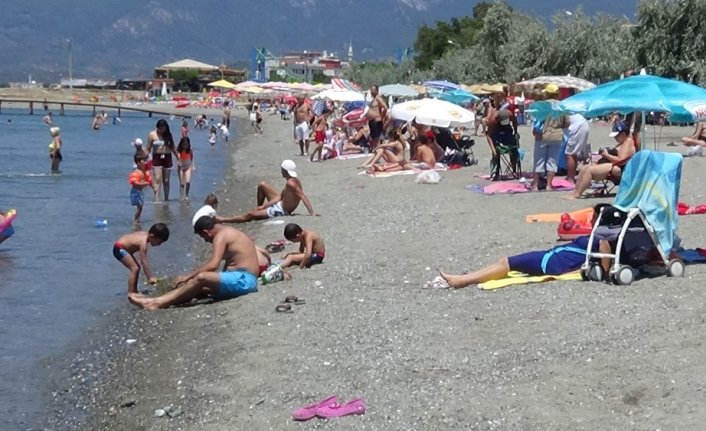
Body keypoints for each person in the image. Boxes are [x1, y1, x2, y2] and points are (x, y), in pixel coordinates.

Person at [434, 205, 609, 289]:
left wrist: (583, 271)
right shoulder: (596, 235)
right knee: (506, 262)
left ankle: (463, 280)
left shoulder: (603, 239)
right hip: (551, 257)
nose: (590, 220)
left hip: (552, 263)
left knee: (507, 263)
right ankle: (464, 278)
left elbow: (604, 265)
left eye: (593, 217)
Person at [128, 216, 259, 310]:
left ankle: (156, 303)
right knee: (195, 287)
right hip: (240, 279)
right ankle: (156, 300)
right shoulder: (228, 232)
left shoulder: (222, 235)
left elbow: (213, 265)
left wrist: (187, 276)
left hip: (244, 281)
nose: (206, 241)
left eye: (203, 237)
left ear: (206, 232)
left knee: (201, 278)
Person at [218, 160, 318, 223]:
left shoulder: (291, 183)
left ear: (285, 171)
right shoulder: (292, 180)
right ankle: (259, 209)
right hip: (280, 203)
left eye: (282, 169)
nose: (281, 171)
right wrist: (263, 206)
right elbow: (280, 197)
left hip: (281, 211)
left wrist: (312, 213)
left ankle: (224, 219)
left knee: (250, 215)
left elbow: (303, 196)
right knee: (262, 185)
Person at [566, 120, 636, 200]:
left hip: (619, 168)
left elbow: (621, 160)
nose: (615, 138)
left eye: (616, 136)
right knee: (584, 168)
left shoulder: (628, 142)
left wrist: (607, 155)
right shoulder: (623, 142)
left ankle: (577, 194)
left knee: (588, 171)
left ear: (623, 134)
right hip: (614, 165)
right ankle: (575, 191)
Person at [531, 84, 570, 191]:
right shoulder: (562, 106)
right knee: (552, 161)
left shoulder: (542, 105)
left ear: (547, 93)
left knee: (539, 160)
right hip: (556, 135)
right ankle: (549, 185)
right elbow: (567, 123)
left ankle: (535, 185)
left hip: (542, 135)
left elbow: (536, 119)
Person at [113, 223, 170, 295]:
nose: (159, 245)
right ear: (152, 236)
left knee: (137, 268)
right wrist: (150, 277)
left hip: (123, 247)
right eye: (159, 242)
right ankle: (131, 292)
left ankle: (134, 290)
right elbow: (144, 261)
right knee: (135, 268)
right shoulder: (143, 243)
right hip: (119, 248)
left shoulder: (144, 234)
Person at [367, 133, 436, 174]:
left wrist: (409, 162)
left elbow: (419, 161)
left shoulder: (420, 148)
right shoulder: (428, 148)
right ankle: (383, 169)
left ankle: (383, 169)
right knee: (403, 165)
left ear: (419, 142)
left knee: (404, 165)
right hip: (431, 165)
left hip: (426, 165)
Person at [145, 119, 178, 202]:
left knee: (166, 180)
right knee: (157, 178)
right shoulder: (152, 135)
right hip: (157, 157)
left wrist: (178, 157)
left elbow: (173, 147)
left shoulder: (168, 134)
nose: (162, 130)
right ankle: (157, 199)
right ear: (158, 127)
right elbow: (148, 148)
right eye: (161, 129)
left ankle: (166, 199)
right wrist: (143, 159)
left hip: (167, 157)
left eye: (164, 128)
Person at [485, 106, 518, 180]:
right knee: (496, 151)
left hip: (507, 130)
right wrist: (493, 150)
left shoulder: (510, 114)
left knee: (514, 149)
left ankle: (514, 170)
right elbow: (489, 136)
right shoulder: (493, 120)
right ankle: (496, 172)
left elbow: (515, 122)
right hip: (496, 131)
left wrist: (515, 132)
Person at [129, 153, 156, 223]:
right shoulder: (136, 172)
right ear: (138, 162)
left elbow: (149, 181)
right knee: (139, 207)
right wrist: (143, 183)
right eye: (143, 161)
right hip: (135, 192)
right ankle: (135, 221)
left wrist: (153, 188)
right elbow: (134, 182)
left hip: (140, 192)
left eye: (145, 160)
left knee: (140, 207)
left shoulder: (144, 172)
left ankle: (138, 220)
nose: (145, 162)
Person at [564, 114, 591, 184]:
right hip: (583, 124)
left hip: (577, 127)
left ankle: (570, 178)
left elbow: (566, 122)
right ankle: (571, 177)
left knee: (569, 154)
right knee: (573, 153)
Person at [365, 85, 388, 150]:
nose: (371, 91)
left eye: (373, 90)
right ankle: (377, 151)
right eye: (371, 90)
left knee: (377, 139)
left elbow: (385, 107)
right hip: (372, 121)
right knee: (374, 139)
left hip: (376, 121)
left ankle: (379, 152)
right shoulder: (373, 99)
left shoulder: (378, 98)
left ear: (377, 91)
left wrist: (381, 116)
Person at [177, 136, 194, 201]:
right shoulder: (179, 149)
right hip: (181, 167)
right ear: (181, 144)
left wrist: (193, 166)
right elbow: (178, 157)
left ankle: (186, 195)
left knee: (188, 182)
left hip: (188, 166)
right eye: (184, 144)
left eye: (186, 144)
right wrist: (179, 162)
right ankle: (181, 196)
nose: (185, 146)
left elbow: (192, 157)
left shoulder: (190, 149)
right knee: (182, 183)